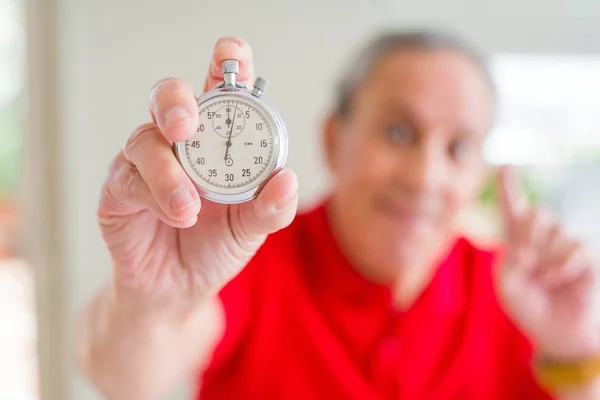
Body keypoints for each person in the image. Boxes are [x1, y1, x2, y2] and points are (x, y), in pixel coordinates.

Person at [77, 31, 600, 400]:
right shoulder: (242, 254)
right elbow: (124, 379)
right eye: (398, 132)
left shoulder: (522, 293)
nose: (425, 177)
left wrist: (578, 352)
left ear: (481, 171)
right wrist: (151, 301)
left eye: (459, 148)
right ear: (333, 140)